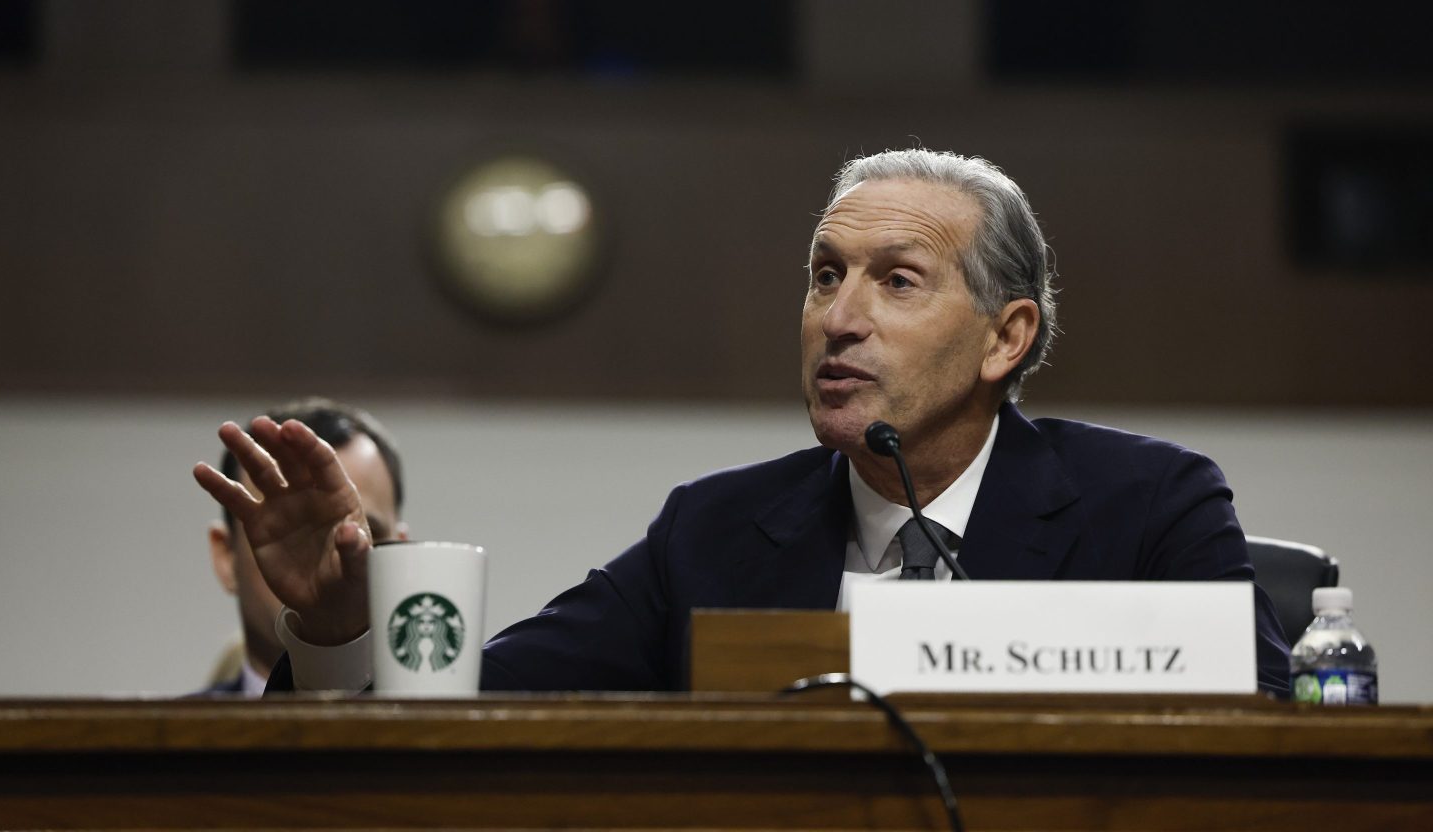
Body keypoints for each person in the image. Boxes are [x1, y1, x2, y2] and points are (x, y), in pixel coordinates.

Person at [193, 149, 1291, 697]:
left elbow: (1287, 748)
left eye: (896, 282)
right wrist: (337, 629)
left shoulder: (1146, 507)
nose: (838, 319)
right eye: (823, 276)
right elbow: (480, 706)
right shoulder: (712, 536)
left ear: (1006, 338)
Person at [198, 397, 407, 696]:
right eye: (291, 530)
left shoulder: (459, 737)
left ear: (404, 557)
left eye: (366, 533)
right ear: (225, 556)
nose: (331, 564)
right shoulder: (153, 740)